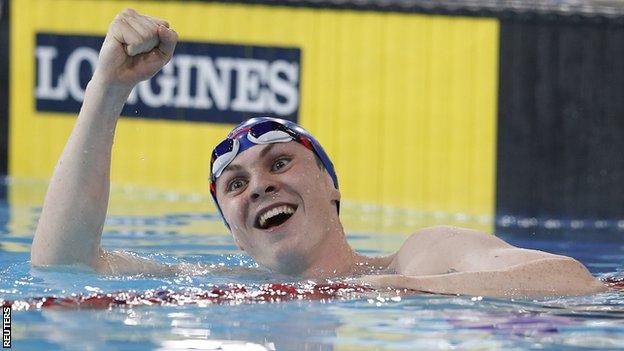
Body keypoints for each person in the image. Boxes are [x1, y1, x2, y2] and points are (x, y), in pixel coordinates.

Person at [30, 9, 607, 298]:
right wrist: (107, 89)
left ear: (332, 187)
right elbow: (60, 268)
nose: (257, 185)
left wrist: (396, 292)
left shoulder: (418, 256)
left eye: (279, 163)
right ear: (234, 232)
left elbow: (569, 280)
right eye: (234, 185)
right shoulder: (216, 280)